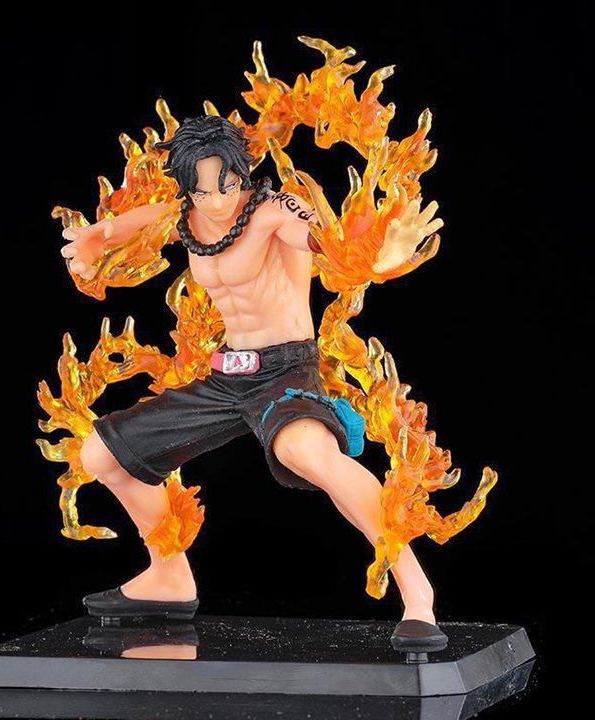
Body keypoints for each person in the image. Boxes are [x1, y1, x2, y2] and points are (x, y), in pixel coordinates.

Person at [60, 115, 447, 650]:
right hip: (226, 376)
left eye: (227, 186)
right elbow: (133, 224)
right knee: (102, 455)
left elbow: (327, 242)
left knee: (307, 454)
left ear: (242, 173)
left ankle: (418, 594)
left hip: (284, 371)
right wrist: (94, 237)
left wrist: (380, 255)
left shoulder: (273, 211)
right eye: (202, 190)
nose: (217, 202)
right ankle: (168, 577)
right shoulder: (188, 215)